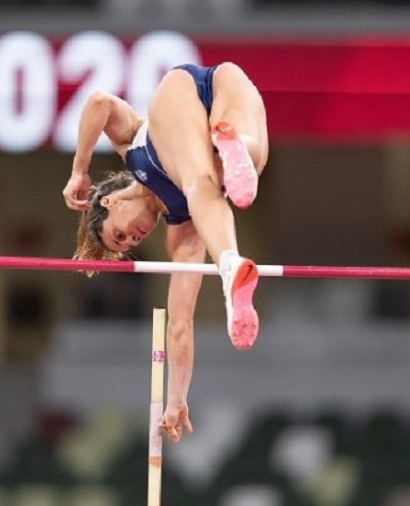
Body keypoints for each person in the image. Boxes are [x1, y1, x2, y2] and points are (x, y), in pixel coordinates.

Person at [61, 62, 269, 443]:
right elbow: (180, 322)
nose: (133, 240)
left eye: (120, 235)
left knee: (198, 182)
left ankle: (229, 264)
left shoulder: (130, 147)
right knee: (250, 163)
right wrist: (176, 398)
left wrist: (79, 170)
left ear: (108, 202)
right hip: (231, 82)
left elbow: (99, 102)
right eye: (129, 245)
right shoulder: (185, 230)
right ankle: (236, 153)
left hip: (180, 94)